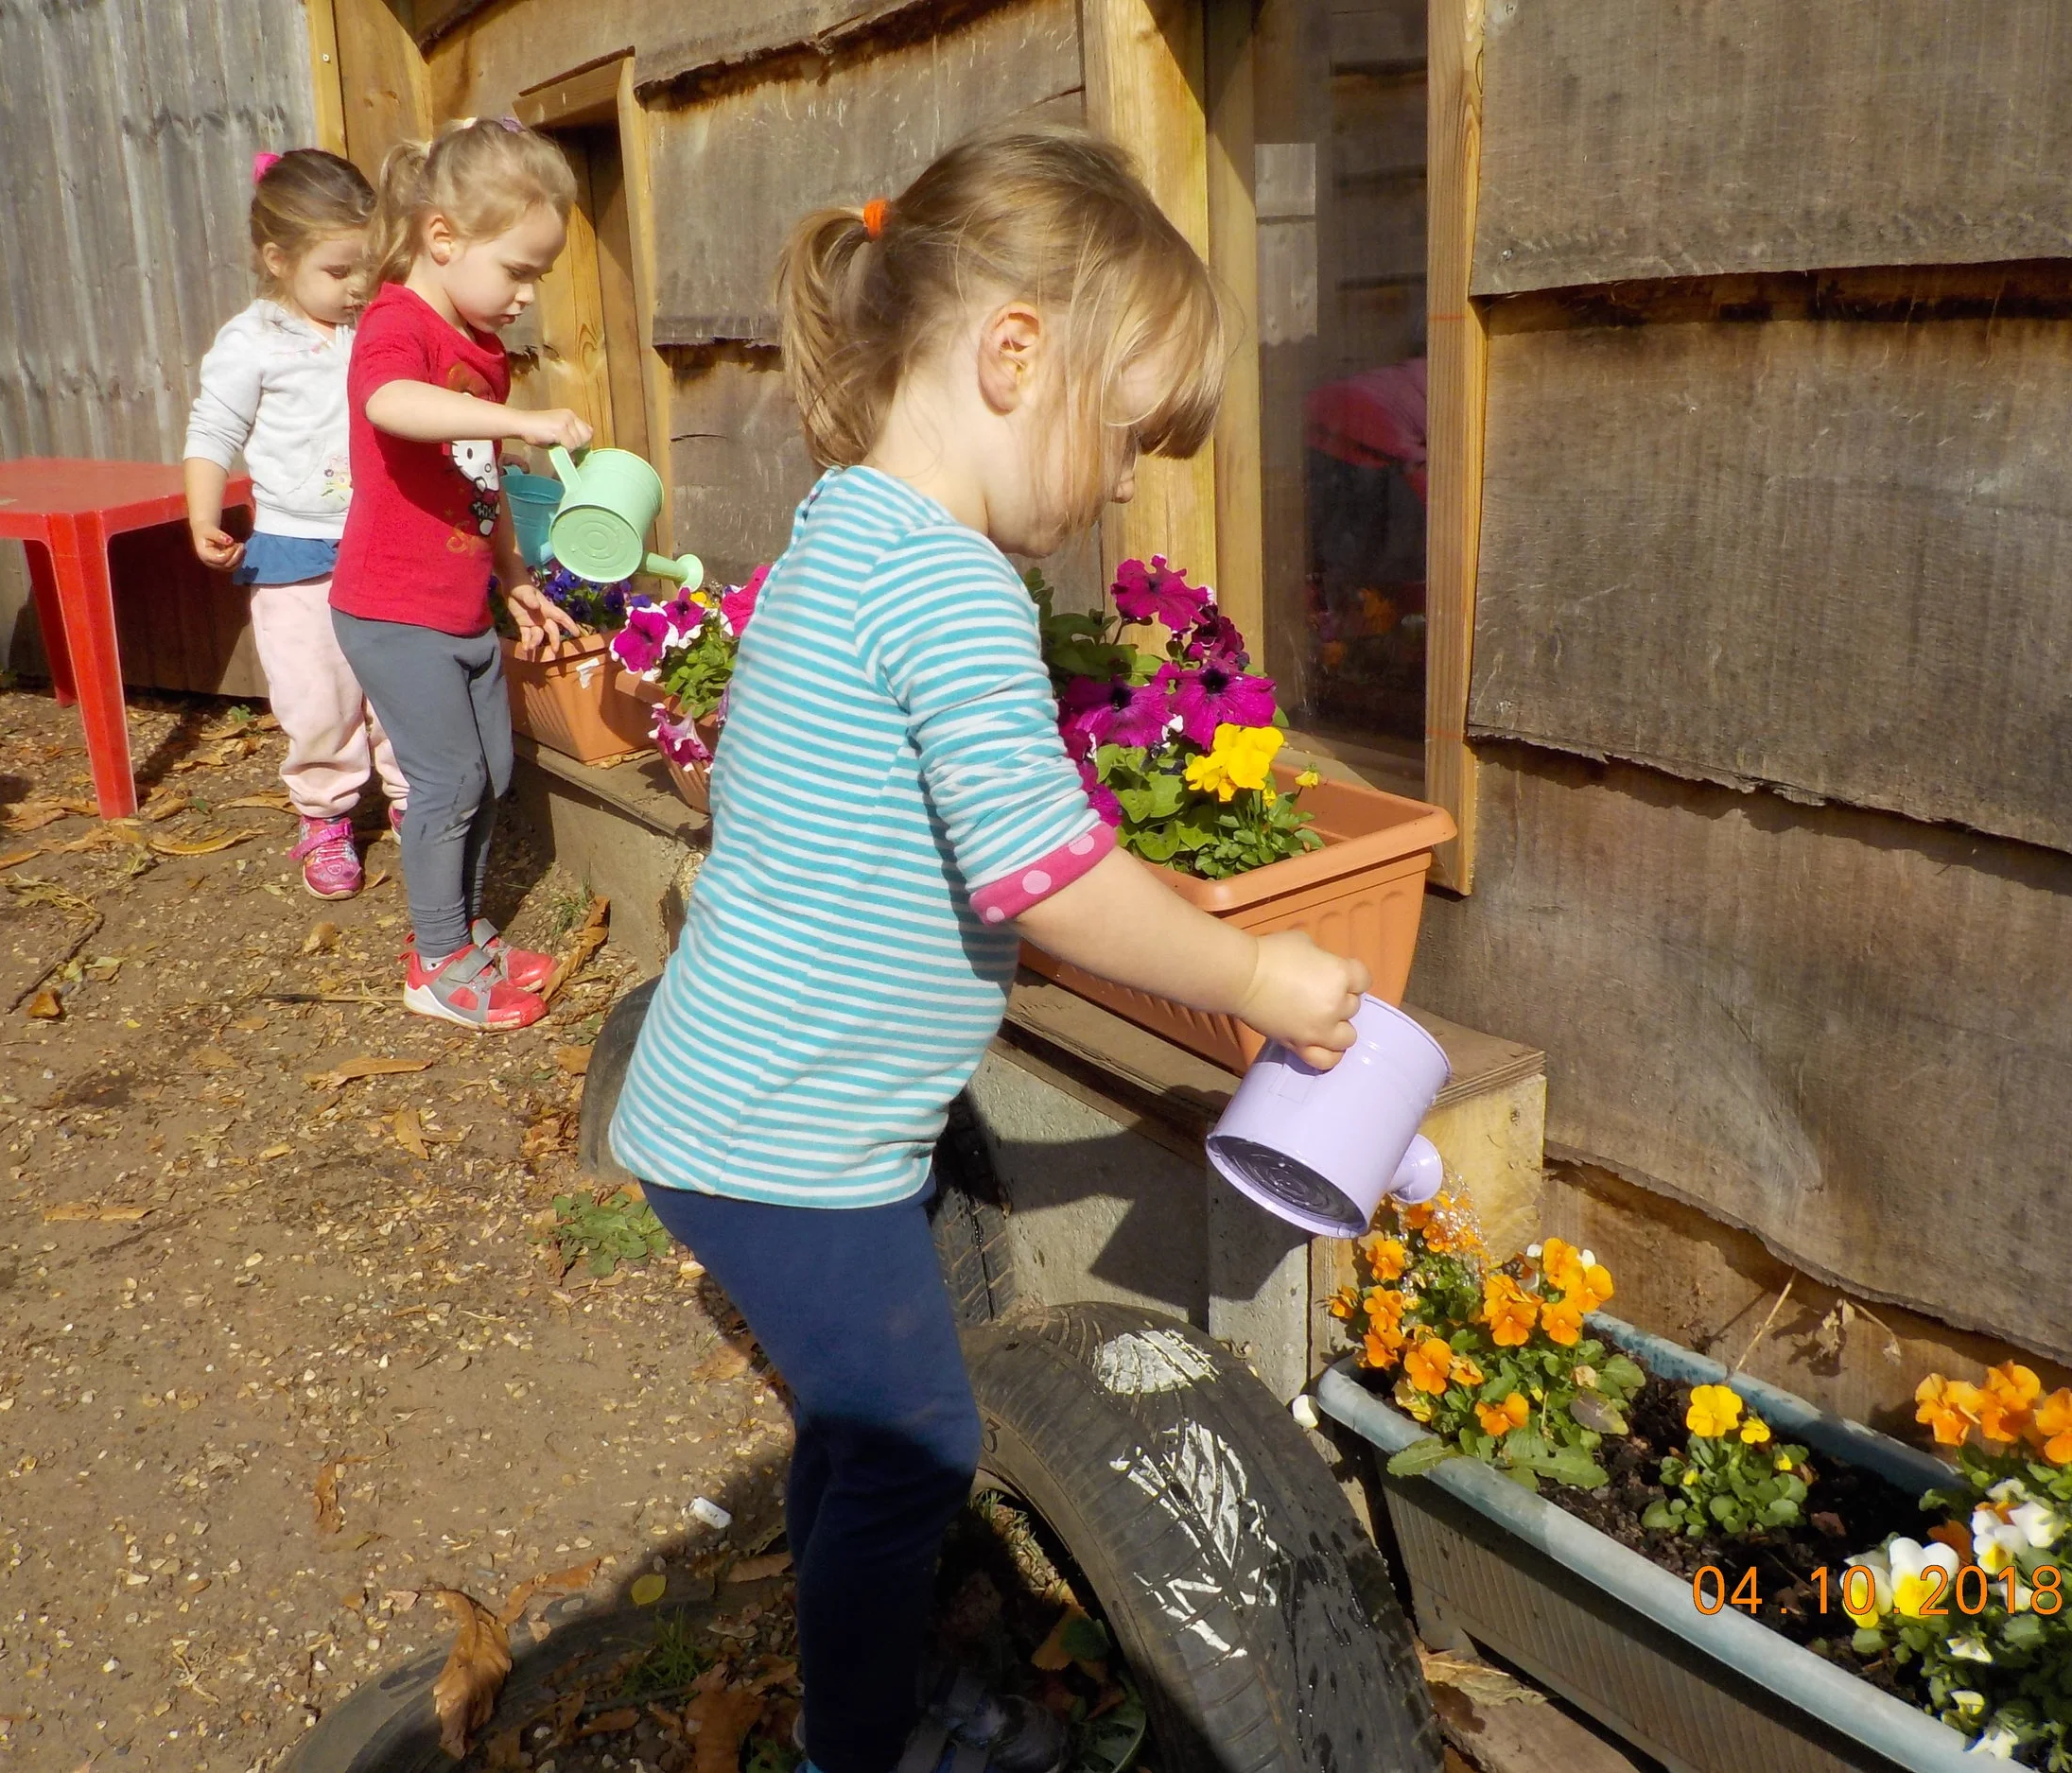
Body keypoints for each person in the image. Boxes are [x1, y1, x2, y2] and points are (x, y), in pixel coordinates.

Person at [608, 125, 1372, 1773]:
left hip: (729, 1105)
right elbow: (1048, 880)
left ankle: (846, 1639)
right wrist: (1260, 977)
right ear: (1015, 356)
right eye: (1124, 438)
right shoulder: (953, 590)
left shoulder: (844, 530)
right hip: (788, 1136)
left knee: (857, 1427)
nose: (1118, 489)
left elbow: (832, 804)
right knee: (916, 1440)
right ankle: (857, 1747)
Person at [329, 119, 593, 1031]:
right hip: (392, 610)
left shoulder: (477, 346)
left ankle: (463, 931)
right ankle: (435, 964)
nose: (526, 297)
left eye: (538, 277)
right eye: (517, 270)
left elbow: (472, 478)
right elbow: (389, 405)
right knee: (446, 783)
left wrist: (512, 573)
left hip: (456, 605)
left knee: (491, 770)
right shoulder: (397, 324)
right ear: (443, 238)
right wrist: (526, 423)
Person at [184, 148, 409, 900]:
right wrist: (202, 513)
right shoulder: (252, 342)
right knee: (317, 693)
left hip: (384, 537)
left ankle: (416, 799)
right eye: (338, 272)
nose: (356, 288)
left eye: (367, 269)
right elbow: (213, 428)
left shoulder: (382, 321)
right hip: (296, 552)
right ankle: (325, 813)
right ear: (279, 260)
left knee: (402, 682)